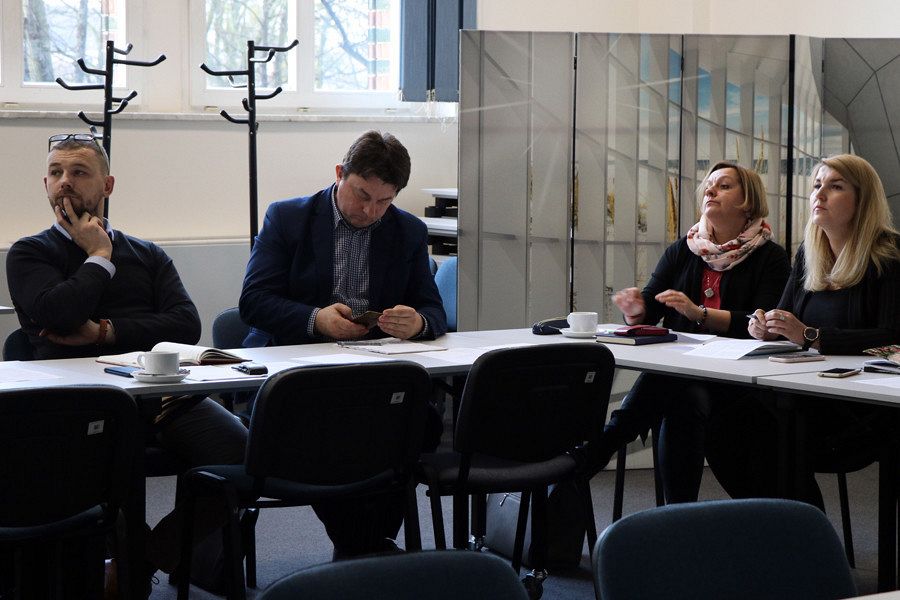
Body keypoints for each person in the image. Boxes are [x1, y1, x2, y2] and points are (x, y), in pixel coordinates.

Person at [4, 133, 248, 594]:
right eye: (55, 173)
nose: (64, 182)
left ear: (107, 185)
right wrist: (99, 257)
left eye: (79, 172)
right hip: (77, 406)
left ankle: (144, 559)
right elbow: (58, 314)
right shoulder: (30, 253)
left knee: (246, 458)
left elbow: (185, 323)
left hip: (161, 397)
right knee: (104, 479)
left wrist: (104, 332)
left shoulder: (148, 254)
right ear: (45, 183)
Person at [239, 130, 447, 558]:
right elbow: (253, 302)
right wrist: (316, 319)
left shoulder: (408, 231)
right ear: (339, 174)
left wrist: (418, 322)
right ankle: (366, 548)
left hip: (373, 372)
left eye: (384, 201)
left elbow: (434, 311)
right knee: (336, 428)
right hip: (297, 373)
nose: (370, 211)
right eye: (362, 195)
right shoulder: (288, 218)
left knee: (419, 421)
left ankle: (364, 548)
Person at [587, 161, 790, 503]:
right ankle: (678, 516)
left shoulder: (771, 257)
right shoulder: (684, 249)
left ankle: (600, 448)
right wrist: (636, 309)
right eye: (709, 185)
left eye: (724, 186)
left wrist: (700, 314)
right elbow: (652, 305)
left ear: (748, 202)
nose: (710, 190)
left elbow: (763, 322)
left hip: (741, 381)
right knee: (684, 395)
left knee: (675, 386)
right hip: (687, 377)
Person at [706, 154, 900, 508]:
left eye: (835, 186)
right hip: (805, 392)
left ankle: (800, 531)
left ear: (863, 199)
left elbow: (891, 336)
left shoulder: (889, 254)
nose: (819, 194)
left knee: (768, 438)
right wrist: (766, 325)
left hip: (862, 409)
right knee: (722, 428)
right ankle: (785, 526)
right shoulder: (808, 254)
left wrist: (812, 336)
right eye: (816, 185)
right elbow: (786, 318)